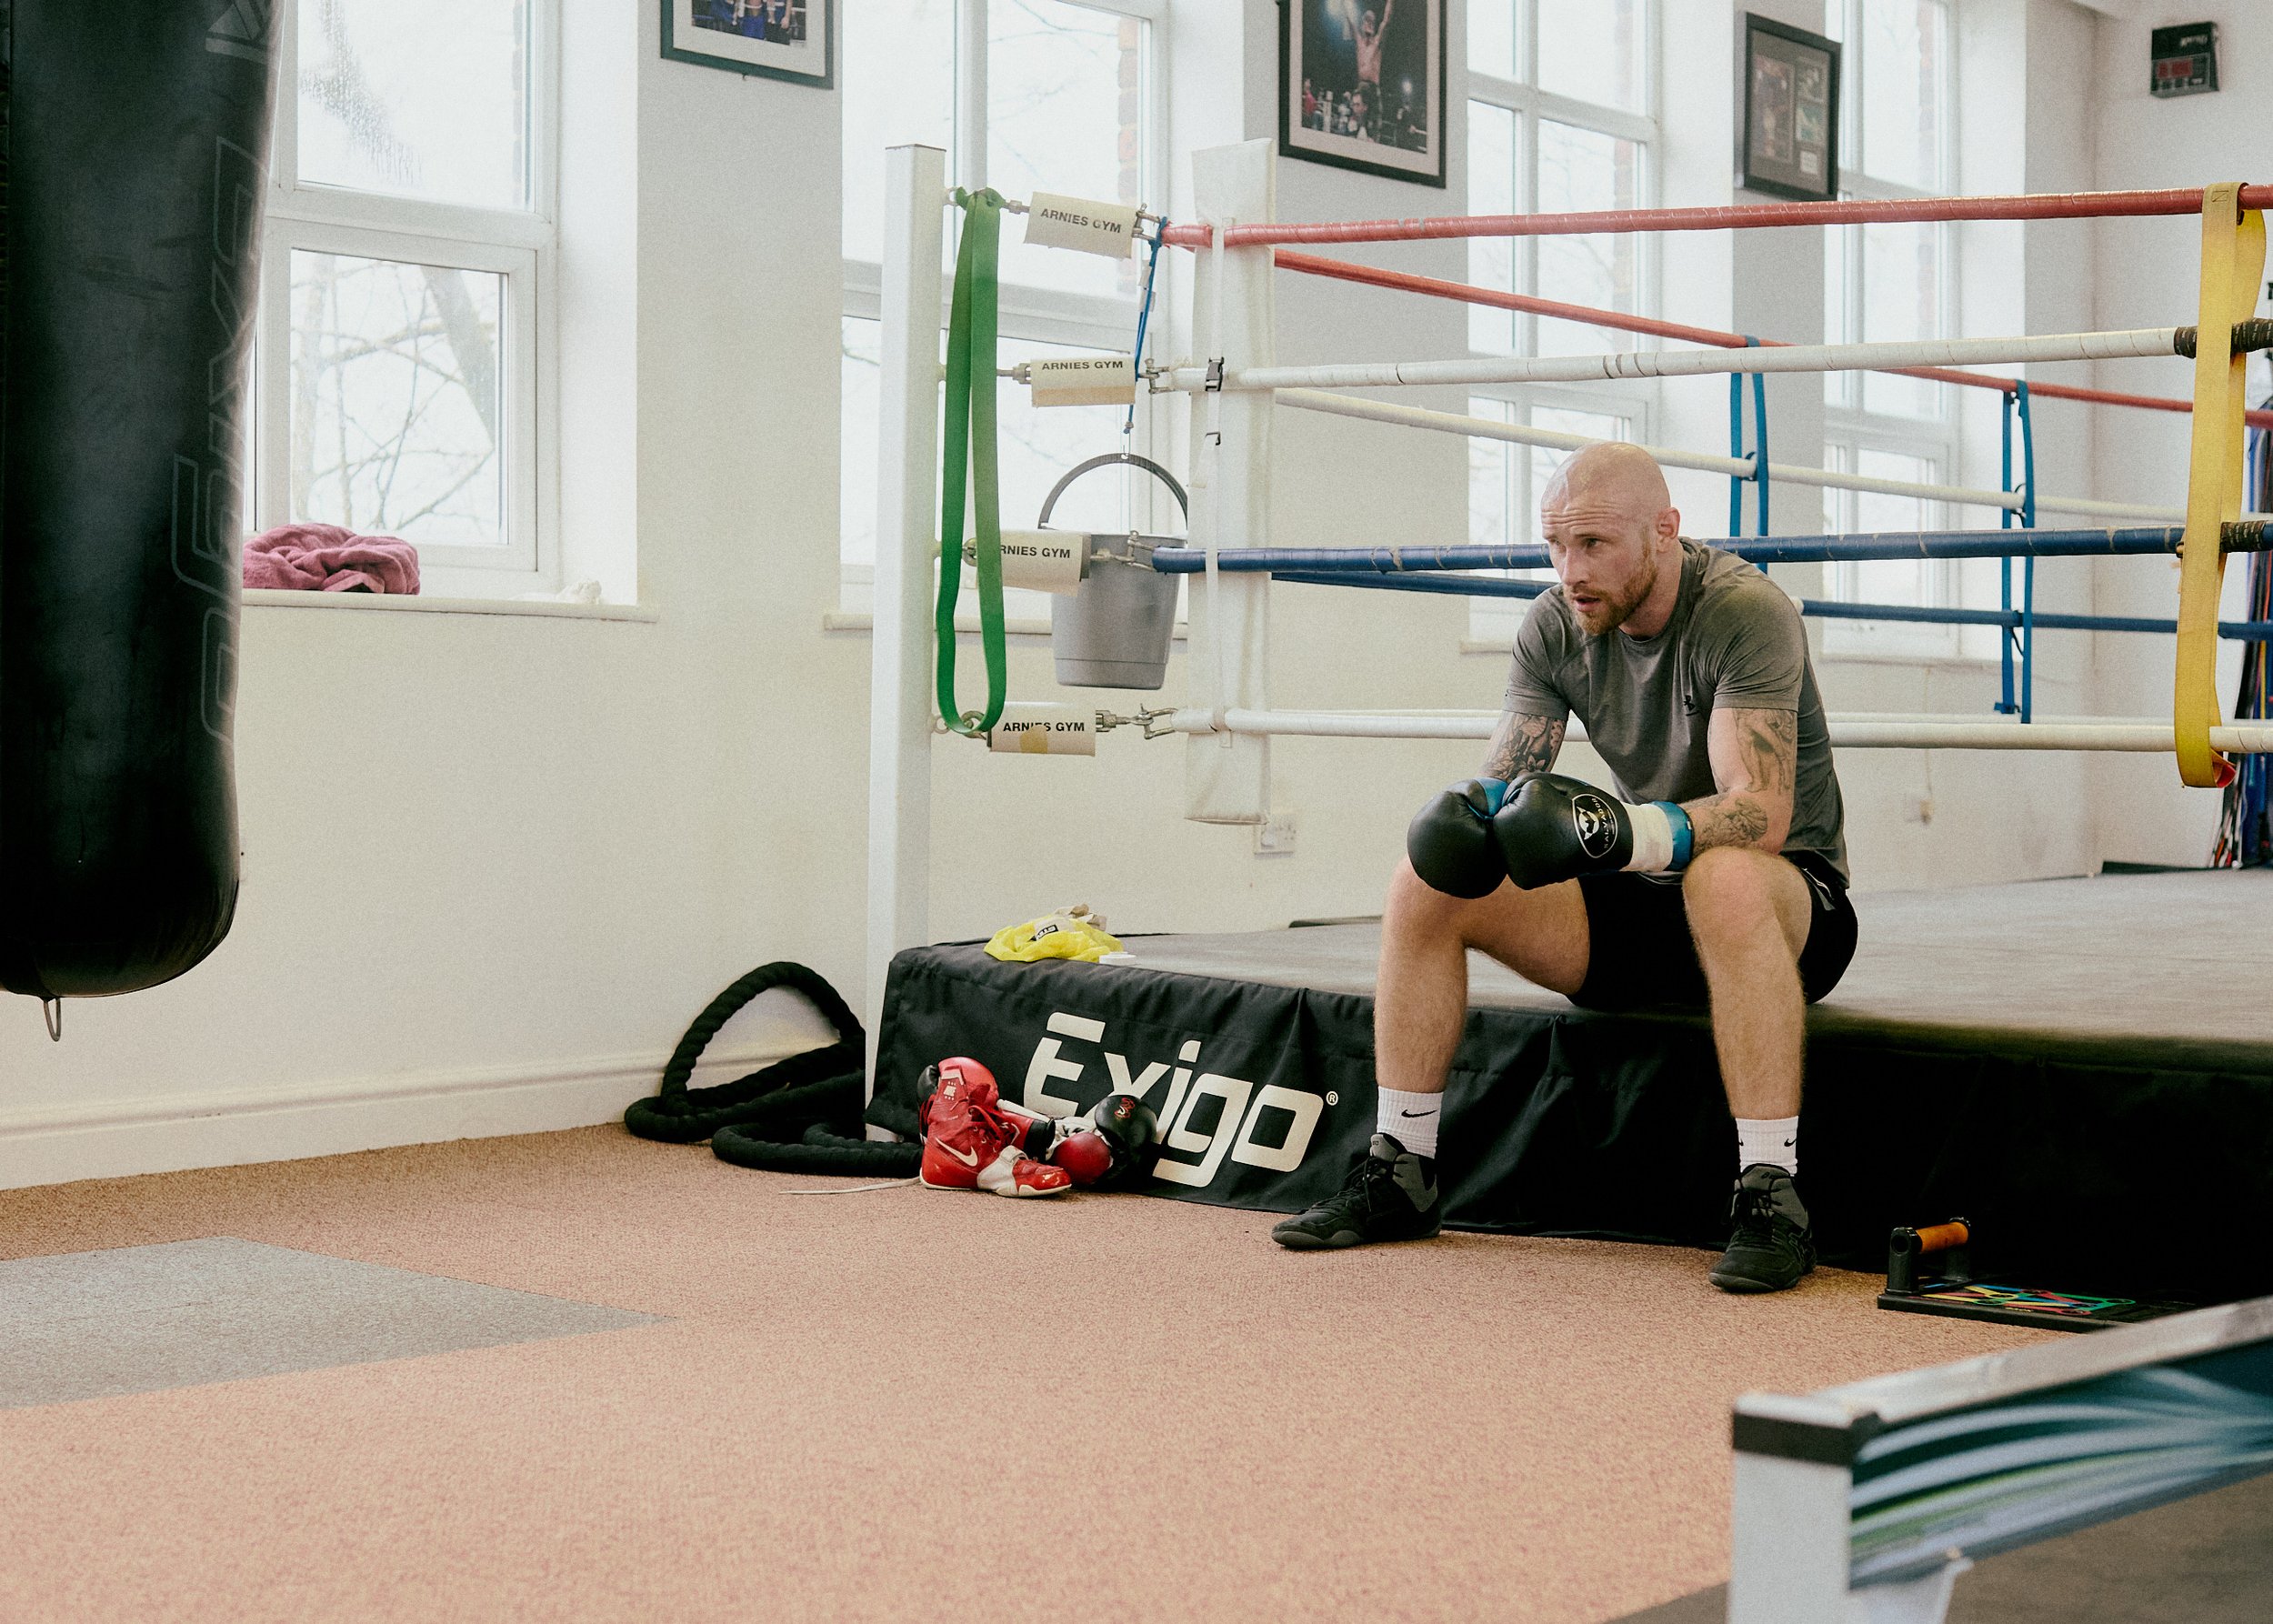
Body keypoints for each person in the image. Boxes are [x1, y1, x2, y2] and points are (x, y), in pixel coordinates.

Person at [1272, 443, 1857, 1293]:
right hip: (1646, 909)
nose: (1569, 571)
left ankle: (1771, 1194)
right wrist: (1467, 820)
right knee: (1425, 881)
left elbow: (1760, 813)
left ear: (1665, 531)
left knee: (1722, 876)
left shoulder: (1744, 611)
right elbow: (1504, 789)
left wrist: (1623, 832)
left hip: (1790, 910)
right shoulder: (1555, 624)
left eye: (1593, 546)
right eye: (1555, 546)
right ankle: (1402, 1167)